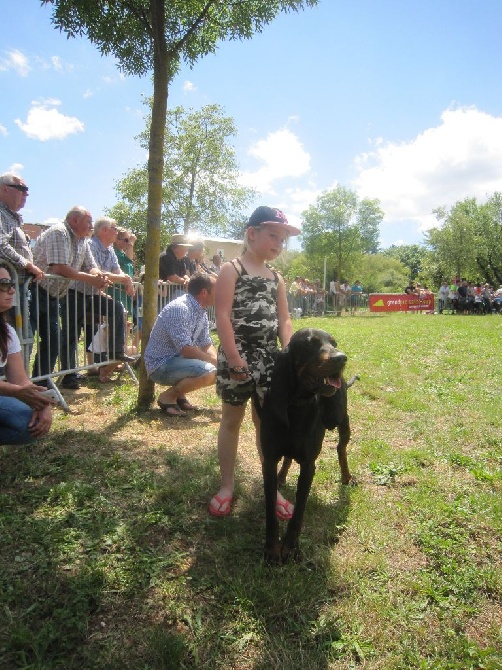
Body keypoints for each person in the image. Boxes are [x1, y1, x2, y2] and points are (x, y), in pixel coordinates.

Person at [209, 205, 300, 518]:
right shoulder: (231, 270)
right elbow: (221, 315)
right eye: (273, 235)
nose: (278, 243)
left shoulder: (277, 277)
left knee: (266, 425)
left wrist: (287, 353)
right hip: (238, 355)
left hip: (269, 358)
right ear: (252, 233)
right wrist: (233, 357)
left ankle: (271, 488)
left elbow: (284, 319)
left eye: (282, 239)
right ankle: (226, 485)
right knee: (232, 420)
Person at [30, 206, 134, 383]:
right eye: (88, 221)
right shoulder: (59, 232)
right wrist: (92, 279)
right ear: (74, 220)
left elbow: (91, 265)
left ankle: (116, 351)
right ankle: (59, 377)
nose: (91, 226)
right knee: (55, 336)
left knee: (115, 309)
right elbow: (59, 267)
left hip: (61, 294)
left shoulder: (83, 241)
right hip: (41, 291)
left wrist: (97, 275)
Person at [60, 216, 135, 388]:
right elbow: (101, 273)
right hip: (74, 293)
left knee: (117, 309)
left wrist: (125, 279)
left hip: (92, 294)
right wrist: (125, 279)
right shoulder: (91, 245)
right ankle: (68, 374)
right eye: (114, 228)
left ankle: (116, 352)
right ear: (103, 230)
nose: (117, 231)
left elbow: (116, 272)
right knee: (72, 334)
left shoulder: (110, 249)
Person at [144, 271, 217, 417]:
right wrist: (215, 363)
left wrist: (219, 362)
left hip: (176, 361)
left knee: (220, 371)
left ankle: (179, 395)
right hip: (160, 365)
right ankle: (167, 397)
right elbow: (186, 350)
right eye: (217, 290)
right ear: (204, 293)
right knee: (210, 372)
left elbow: (206, 343)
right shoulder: (180, 309)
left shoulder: (200, 311)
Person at [0, 263, 52, 444]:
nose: (12, 291)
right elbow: (17, 387)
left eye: (12, 284)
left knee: (28, 424)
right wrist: (17, 391)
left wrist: (42, 402)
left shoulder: (7, 331)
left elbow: (20, 380)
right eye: (5, 284)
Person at [0, 172, 45, 324]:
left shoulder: (12, 218)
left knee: (20, 337)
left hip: (17, 289)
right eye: (21, 188)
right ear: (4, 189)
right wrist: (27, 264)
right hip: (6, 290)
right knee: (10, 338)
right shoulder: (1, 214)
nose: (26, 193)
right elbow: (1, 245)